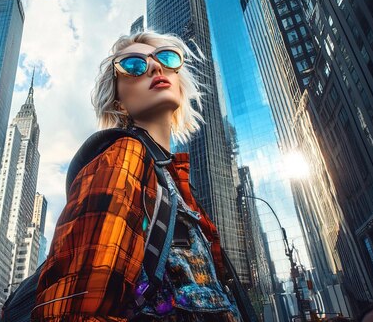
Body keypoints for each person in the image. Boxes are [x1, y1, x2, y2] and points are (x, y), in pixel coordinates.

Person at [32, 31, 252, 321]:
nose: (155, 67)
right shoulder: (125, 157)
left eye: (166, 59)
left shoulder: (173, 182)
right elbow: (76, 310)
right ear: (119, 102)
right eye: (134, 65)